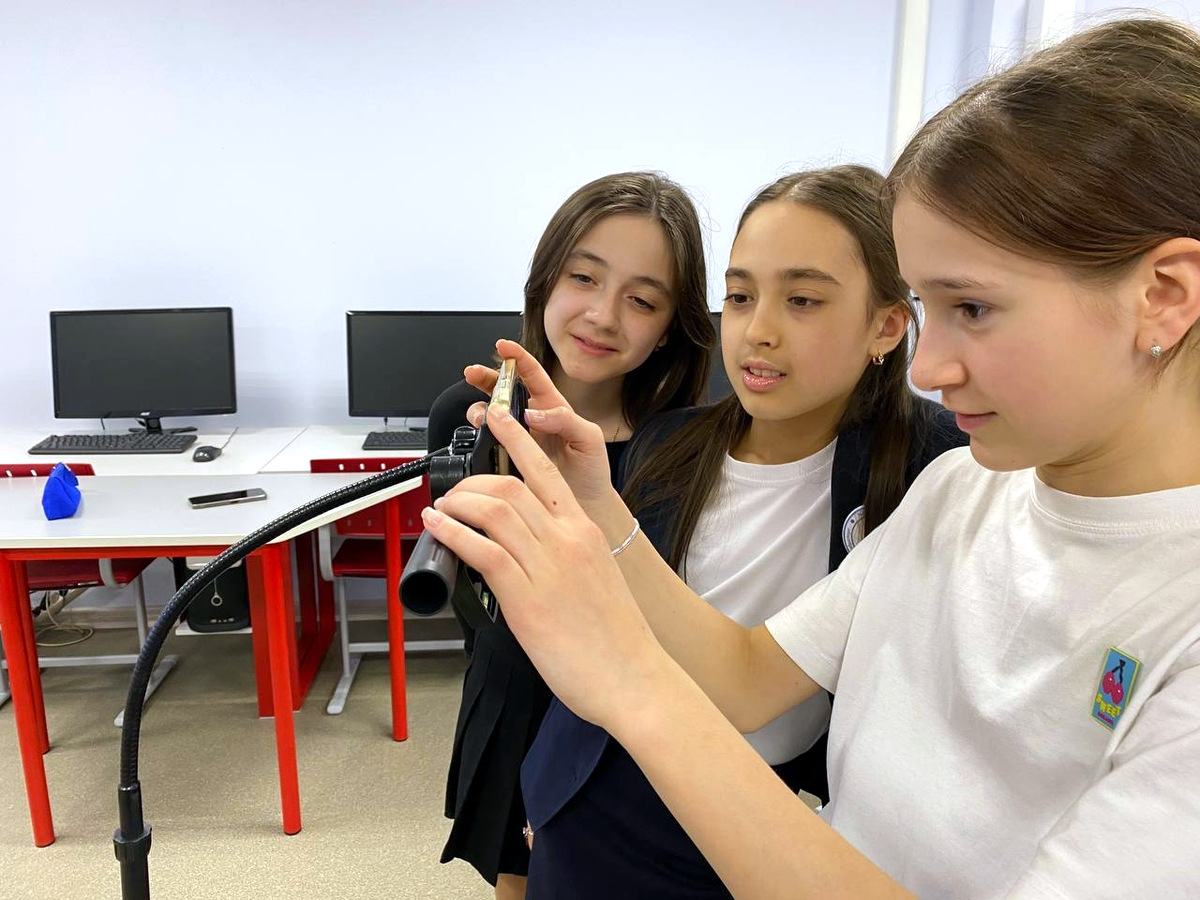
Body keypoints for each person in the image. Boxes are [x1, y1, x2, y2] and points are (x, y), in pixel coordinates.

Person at [420, 17, 1200, 898]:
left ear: (1164, 296)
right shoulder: (959, 492)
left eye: (974, 308)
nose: (930, 369)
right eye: (740, 295)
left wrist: (632, 684)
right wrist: (599, 508)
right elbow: (751, 677)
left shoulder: (1142, 595)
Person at [517, 165, 967, 897]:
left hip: (758, 825)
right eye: (740, 295)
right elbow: (605, 625)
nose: (758, 332)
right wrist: (549, 789)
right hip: (598, 788)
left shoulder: (940, 467)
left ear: (887, 325)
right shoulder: (669, 443)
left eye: (802, 299)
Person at [428, 171, 715, 899]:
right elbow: (469, 589)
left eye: (642, 300)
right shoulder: (467, 413)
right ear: (546, 279)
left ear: (670, 326)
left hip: (629, 709)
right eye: (583, 277)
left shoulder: (686, 439)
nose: (602, 315)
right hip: (514, 691)